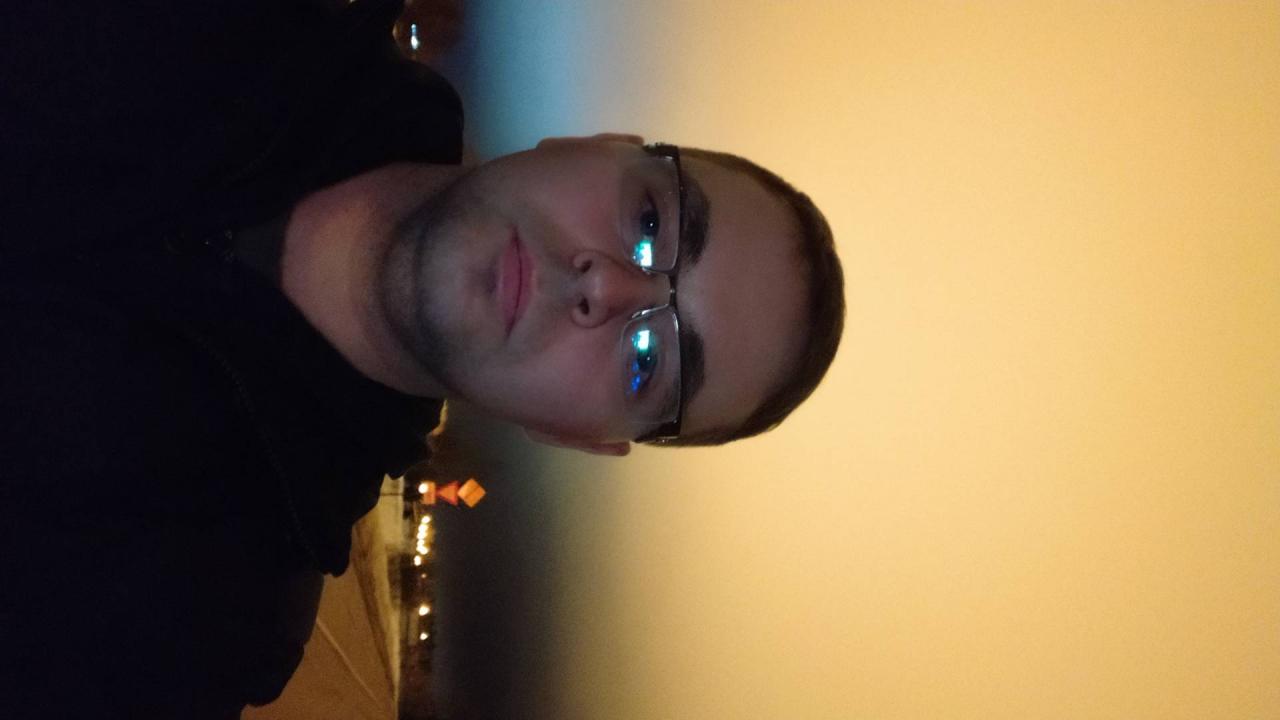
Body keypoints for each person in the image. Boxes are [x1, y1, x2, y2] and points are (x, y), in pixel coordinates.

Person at [0, 0, 843, 717]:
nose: (607, 287)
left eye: (646, 364)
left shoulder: (193, 626)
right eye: (652, 222)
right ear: (595, 142)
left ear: (574, 435)